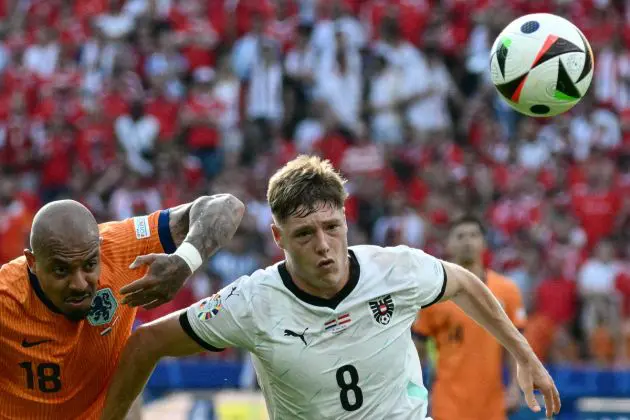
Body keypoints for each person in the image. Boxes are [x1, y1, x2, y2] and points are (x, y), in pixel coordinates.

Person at [101, 155, 561, 420]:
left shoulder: (396, 269)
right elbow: (145, 342)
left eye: (332, 227)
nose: (324, 246)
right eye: (304, 234)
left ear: (346, 221)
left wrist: (525, 356)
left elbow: (463, 283)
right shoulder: (251, 303)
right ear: (279, 238)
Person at [0, 195, 244, 419]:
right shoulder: (6, 297)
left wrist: (184, 261)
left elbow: (226, 206)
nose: (79, 283)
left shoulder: (121, 247)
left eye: (89, 265)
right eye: (61, 270)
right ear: (32, 262)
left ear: (100, 248)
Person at [412, 216, 527, 420]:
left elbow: (517, 347)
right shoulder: (434, 293)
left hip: (492, 405)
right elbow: (416, 351)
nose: (467, 241)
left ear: (484, 243)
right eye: (460, 236)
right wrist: (417, 394)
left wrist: (516, 388)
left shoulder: (507, 291)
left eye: (474, 235)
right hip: (448, 404)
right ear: (449, 244)